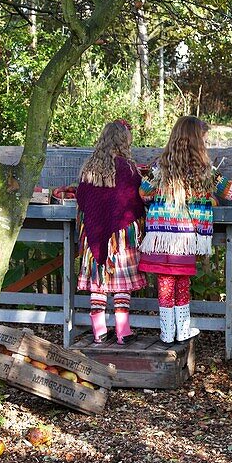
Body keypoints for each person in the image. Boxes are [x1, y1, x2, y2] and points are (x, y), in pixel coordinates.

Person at [139, 115, 232, 343]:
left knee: (165, 282)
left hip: (160, 235)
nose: (206, 144)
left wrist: (164, 198)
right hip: (186, 236)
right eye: (204, 139)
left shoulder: (161, 167)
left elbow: (143, 192)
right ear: (196, 141)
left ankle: (167, 333)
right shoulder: (204, 171)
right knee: (182, 281)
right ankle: (182, 330)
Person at [75, 119, 146, 344]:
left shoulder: (89, 168)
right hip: (122, 236)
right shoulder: (128, 169)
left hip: (93, 232)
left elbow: (82, 198)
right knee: (121, 281)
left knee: (99, 280)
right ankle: (123, 331)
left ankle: (99, 330)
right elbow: (137, 201)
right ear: (123, 140)